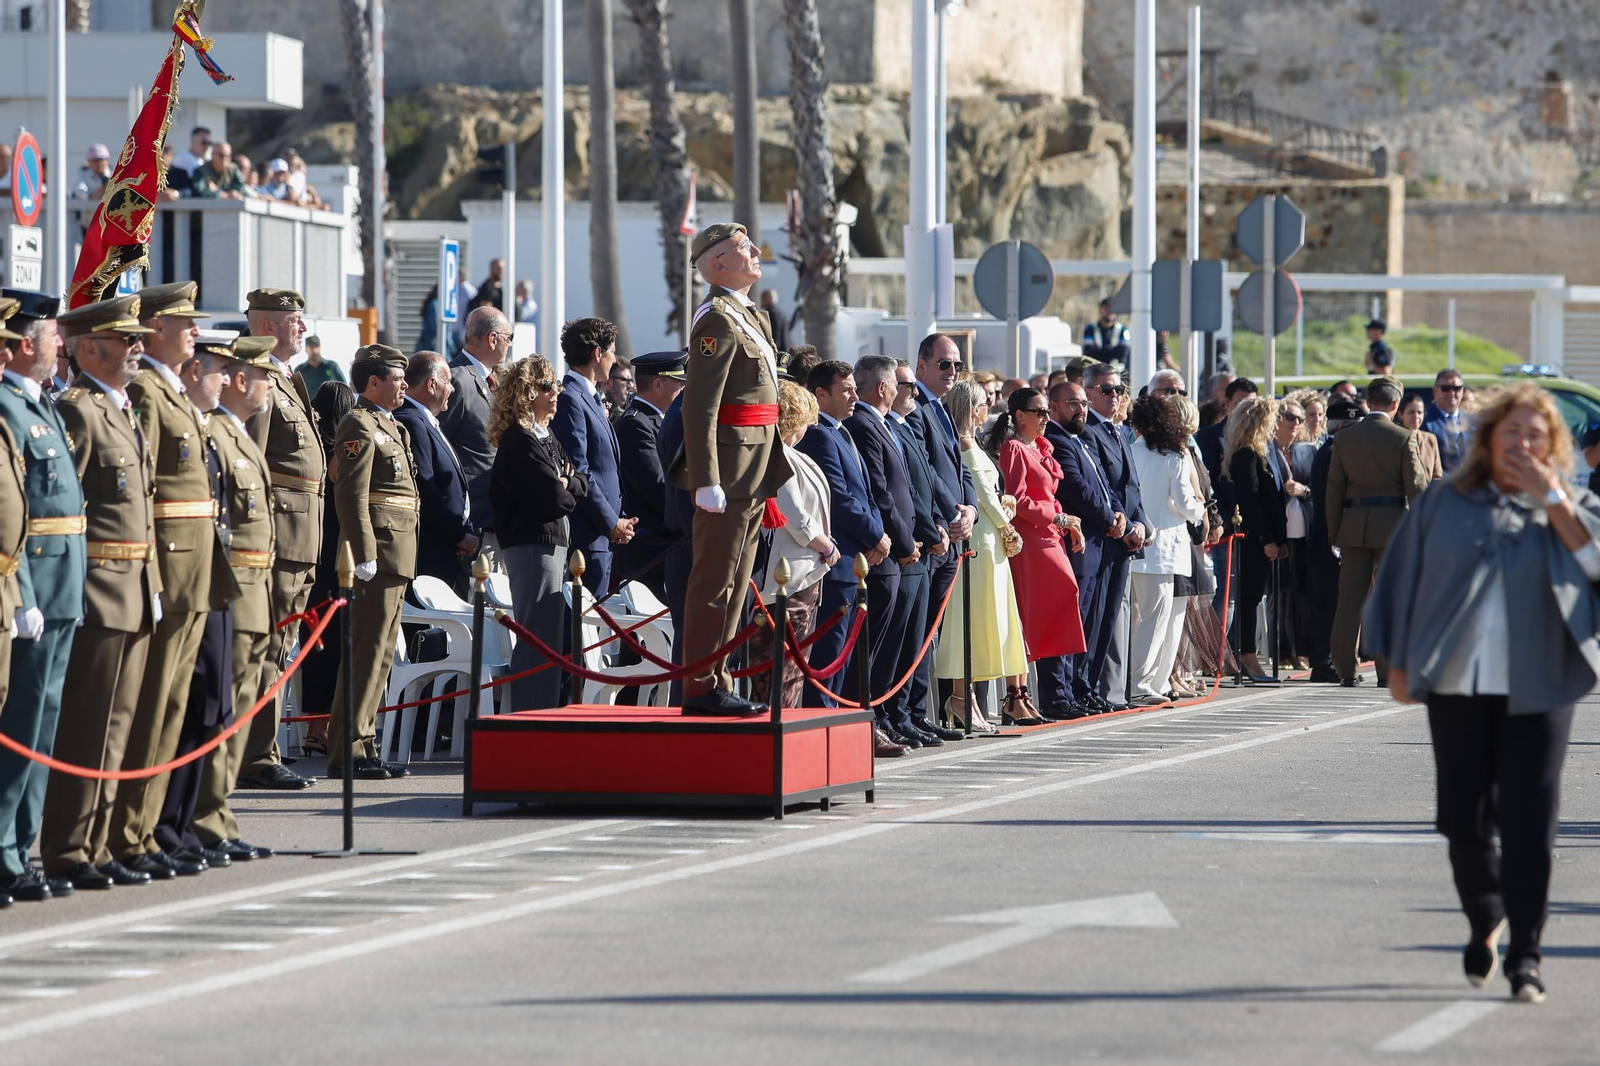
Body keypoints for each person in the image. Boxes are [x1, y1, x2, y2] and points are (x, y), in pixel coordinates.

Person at [1364, 383, 1600, 1005]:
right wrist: (1396, 660)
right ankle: (1485, 913)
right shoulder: (1446, 502)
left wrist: (1552, 501)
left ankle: (1526, 957)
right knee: (1462, 820)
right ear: (1488, 440)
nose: (1522, 444)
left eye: (1535, 435)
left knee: (1530, 824)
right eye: (1511, 432)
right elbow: (1400, 579)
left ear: (1553, 446)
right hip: (1459, 682)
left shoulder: (1572, 504)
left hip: (1542, 685)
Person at [105, 284, 233, 881]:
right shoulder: (148, 393)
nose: (194, 333)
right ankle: (133, 831)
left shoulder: (172, 391)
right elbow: (146, 493)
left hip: (195, 569)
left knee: (176, 707)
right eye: (185, 323)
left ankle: (150, 829)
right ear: (155, 329)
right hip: (170, 568)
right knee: (154, 707)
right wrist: (153, 572)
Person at [40, 295, 159, 891]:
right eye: (125, 339)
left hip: (134, 585)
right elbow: (63, 509)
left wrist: (152, 584)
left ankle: (100, 842)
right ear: (89, 348)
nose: (137, 348)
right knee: (88, 726)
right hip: (98, 587)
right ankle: (68, 848)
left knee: (118, 727)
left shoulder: (119, 408)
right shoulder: (78, 410)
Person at [668, 222, 793, 715]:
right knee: (714, 584)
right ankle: (700, 688)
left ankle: (717, 679)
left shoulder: (748, 316)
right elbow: (700, 405)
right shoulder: (716, 319)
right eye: (743, 247)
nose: (756, 251)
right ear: (718, 263)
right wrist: (707, 478)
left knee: (737, 585)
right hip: (731, 467)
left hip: (755, 464)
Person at [0, 294, 84, 902]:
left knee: (42, 730)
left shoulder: (41, 402)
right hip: (32, 586)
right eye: (54, 335)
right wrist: (23, 592)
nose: (62, 344)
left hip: (62, 585)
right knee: (20, 728)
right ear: (26, 343)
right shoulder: (7, 407)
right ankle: (4, 851)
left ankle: (20, 848)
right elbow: (14, 514)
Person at [182, 334, 278, 867]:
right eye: (263, 378)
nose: (269, 387)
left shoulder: (238, 434)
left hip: (256, 589)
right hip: (233, 589)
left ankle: (218, 815)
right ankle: (206, 818)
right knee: (222, 710)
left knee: (240, 708)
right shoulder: (215, 433)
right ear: (241, 381)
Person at [243, 288, 324, 790]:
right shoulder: (260, 378)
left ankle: (263, 748)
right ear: (269, 326)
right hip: (279, 531)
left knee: (283, 644)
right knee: (269, 644)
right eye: (295, 320)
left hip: (302, 531)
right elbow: (250, 463)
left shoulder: (287, 377)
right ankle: (256, 755)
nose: (303, 328)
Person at [327, 345, 417, 780]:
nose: (404, 385)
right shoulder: (359, 423)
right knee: (365, 652)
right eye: (397, 379)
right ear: (373, 382)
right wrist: (362, 553)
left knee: (381, 656)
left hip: (397, 552)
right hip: (377, 553)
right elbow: (351, 492)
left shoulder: (391, 425)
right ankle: (347, 750)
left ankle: (365, 744)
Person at [490, 354, 586, 711]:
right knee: (537, 639)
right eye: (547, 386)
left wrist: (567, 482)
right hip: (533, 546)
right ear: (526, 391)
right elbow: (555, 498)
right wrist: (565, 484)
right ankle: (528, 717)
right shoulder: (520, 440)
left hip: (553, 545)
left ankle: (542, 713)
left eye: (556, 385)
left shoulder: (545, 436)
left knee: (550, 639)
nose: (555, 392)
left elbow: (580, 481)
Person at [1325, 376, 1430, 687]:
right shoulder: (1404, 437)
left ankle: (1346, 669)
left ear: (1368, 402)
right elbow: (1417, 487)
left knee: (1349, 601)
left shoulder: (1345, 438)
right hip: (1394, 527)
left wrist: (1336, 533)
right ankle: (1387, 670)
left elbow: (1334, 490)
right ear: (1396, 404)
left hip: (1354, 526)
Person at [934, 380, 1026, 734]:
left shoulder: (972, 441)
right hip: (982, 539)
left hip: (990, 537)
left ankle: (967, 697)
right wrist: (1007, 526)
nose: (988, 407)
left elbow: (990, 492)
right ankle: (960, 696)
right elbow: (982, 494)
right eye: (984, 403)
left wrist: (1005, 507)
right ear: (973, 408)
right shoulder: (963, 442)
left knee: (984, 618)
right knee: (971, 619)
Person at [990, 387, 1088, 719]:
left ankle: (1033, 693)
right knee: (1033, 613)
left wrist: (1066, 523)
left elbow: (1049, 496)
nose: (1046, 418)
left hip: (1049, 535)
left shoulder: (1039, 447)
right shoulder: (1014, 448)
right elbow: (1015, 500)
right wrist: (1057, 519)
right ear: (1020, 416)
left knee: (1058, 604)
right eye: (1040, 412)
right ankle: (1021, 695)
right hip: (1031, 540)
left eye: (1047, 412)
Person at [797, 361, 885, 709]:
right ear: (821, 394)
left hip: (856, 559)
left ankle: (833, 722)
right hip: (837, 563)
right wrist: (876, 536)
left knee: (842, 659)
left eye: (854, 389)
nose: (854, 397)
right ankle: (821, 724)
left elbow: (866, 493)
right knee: (828, 657)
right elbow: (839, 498)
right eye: (846, 390)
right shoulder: (819, 434)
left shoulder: (840, 432)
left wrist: (877, 535)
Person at [846, 356, 920, 744]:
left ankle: (877, 719)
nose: (899, 391)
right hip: (882, 553)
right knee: (870, 648)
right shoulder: (863, 424)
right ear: (882, 387)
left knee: (883, 646)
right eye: (895, 384)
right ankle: (865, 722)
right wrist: (903, 543)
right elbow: (880, 491)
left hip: (895, 551)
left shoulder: (881, 423)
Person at [750, 380, 837, 712]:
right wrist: (827, 546)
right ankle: (775, 727)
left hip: (805, 572)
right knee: (781, 671)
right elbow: (794, 517)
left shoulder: (792, 455)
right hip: (788, 575)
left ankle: (783, 724)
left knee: (795, 668)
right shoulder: (776, 455)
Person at [888, 360, 962, 743]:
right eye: (908, 385)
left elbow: (932, 480)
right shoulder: (885, 427)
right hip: (910, 547)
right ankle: (895, 715)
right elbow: (900, 492)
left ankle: (914, 712)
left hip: (935, 538)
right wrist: (931, 529)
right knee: (902, 640)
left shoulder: (906, 424)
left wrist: (953, 516)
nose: (915, 392)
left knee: (921, 636)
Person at [906, 335, 977, 724]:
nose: (952, 372)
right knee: (919, 632)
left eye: (957, 365)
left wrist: (971, 510)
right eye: (944, 364)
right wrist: (953, 512)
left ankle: (920, 714)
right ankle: (912, 714)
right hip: (934, 533)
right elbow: (926, 473)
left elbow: (960, 469)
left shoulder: (942, 409)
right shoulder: (916, 408)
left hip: (954, 531)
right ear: (921, 366)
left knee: (932, 630)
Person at [1125, 395, 1207, 703]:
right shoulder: (1174, 455)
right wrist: (1201, 510)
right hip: (1164, 548)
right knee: (1157, 620)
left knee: (1139, 620)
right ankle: (1142, 685)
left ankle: (1143, 683)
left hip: (1134, 546)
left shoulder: (1129, 450)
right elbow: (1185, 502)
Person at [1045, 381, 1119, 714]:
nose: (1081, 410)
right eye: (1072, 403)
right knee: (1067, 623)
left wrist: (1119, 515)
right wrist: (1109, 519)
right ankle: (1059, 696)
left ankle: (1077, 690)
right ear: (1054, 406)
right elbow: (1077, 489)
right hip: (1075, 546)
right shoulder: (1057, 440)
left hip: (1096, 544)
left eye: (1084, 404)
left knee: (1086, 625)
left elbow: (1103, 486)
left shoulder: (1081, 438)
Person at [1082, 363, 1148, 709]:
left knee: (1111, 617)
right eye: (1106, 390)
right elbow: (1103, 488)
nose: (1114, 396)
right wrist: (1126, 526)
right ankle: (1090, 689)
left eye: (1118, 390)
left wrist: (1141, 524)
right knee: (1097, 617)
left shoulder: (1119, 431)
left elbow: (1132, 486)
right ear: (1088, 393)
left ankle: (1104, 691)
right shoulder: (1088, 431)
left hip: (1126, 536)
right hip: (1105, 536)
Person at [297, 381, 357, 755]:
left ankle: (314, 728)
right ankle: (320, 729)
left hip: (315, 553)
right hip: (337, 557)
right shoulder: (339, 453)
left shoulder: (316, 447)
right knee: (330, 646)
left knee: (316, 643)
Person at [555, 318, 632, 596]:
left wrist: (618, 521)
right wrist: (611, 522)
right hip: (587, 536)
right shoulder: (571, 399)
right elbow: (580, 470)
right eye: (611, 352)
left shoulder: (590, 397)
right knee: (581, 619)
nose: (613, 359)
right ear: (598, 353)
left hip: (602, 536)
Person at [394, 351, 477, 586]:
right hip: (430, 551)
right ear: (431, 385)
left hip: (446, 548)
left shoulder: (426, 421)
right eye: (447, 381)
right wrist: (458, 536)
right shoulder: (411, 421)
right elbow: (425, 486)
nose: (452, 388)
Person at [614, 350, 686, 601]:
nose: (683, 390)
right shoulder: (636, 424)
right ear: (658, 384)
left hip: (664, 546)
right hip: (649, 550)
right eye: (679, 383)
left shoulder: (657, 421)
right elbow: (658, 487)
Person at [1224, 396, 1287, 684]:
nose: (1275, 426)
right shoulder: (1246, 455)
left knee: (1253, 596)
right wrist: (1267, 539)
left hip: (1263, 538)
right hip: (1253, 539)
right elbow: (1251, 502)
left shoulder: (1259, 453)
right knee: (1249, 598)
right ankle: (1246, 655)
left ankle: (1244, 654)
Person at [439, 305, 512, 549]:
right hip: (471, 519)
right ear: (493, 339)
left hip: (495, 516)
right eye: (509, 337)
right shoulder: (457, 379)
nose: (510, 344)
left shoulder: (495, 379)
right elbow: (439, 447)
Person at [1305, 398, 1363, 684]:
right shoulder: (1331, 454)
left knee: (1334, 602)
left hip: (1331, 537)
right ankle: (1323, 662)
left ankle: (1329, 661)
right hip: (1329, 539)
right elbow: (1333, 501)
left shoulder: (1335, 452)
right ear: (1341, 427)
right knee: (1327, 605)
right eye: (1354, 427)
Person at [1196, 377, 1258, 624]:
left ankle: (1241, 645)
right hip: (1226, 529)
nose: (1247, 410)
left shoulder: (1260, 438)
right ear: (1227, 403)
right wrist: (1219, 521)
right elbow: (1206, 484)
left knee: (1249, 594)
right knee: (1227, 594)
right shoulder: (1209, 437)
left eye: (1252, 404)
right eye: (1241, 403)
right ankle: (1219, 647)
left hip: (1254, 532)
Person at [1270, 397, 1317, 669]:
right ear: (1277, 420)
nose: (1296, 423)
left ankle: (1301, 650)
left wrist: (1304, 490)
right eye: (1290, 417)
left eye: (1299, 418)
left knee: (1303, 593)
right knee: (1281, 595)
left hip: (1304, 531)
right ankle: (1282, 651)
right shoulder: (1267, 451)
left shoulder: (1307, 451)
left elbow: (1320, 489)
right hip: (1279, 532)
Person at [1423, 368, 1471, 474]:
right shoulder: (1424, 421)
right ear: (1435, 391)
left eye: (1457, 388)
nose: (1452, 393)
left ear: (1462, 391)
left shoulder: (1472, 422)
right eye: (1445, 388)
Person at [187, 141, 255, 200]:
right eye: (221, 155)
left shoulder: (233, 169)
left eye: (227, 156)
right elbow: (199, 192)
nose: (224, 159)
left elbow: (241, 188)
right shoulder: (201, 171)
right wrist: (223, 195)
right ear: (212, 155)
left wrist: (218, 191)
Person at [1400, 394, 1444, 480]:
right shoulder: (1394, 438)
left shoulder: (1430, 439)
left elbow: (1437, 474)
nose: (1416, 416)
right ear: (1401, 414)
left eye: (1419, 412)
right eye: (1411, 412)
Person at [294, 335, 347, 401]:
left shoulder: (332, 366)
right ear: (306, 349)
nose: (314, 350)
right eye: (311, 347)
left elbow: (345, 388)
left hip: (332, 405)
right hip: (310, 406)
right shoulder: (300, 370)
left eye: (316, 346)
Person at [1082, 299, 1130, 368]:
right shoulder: (1089, 330)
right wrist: (1112, 351)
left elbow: (1123, 353)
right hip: (1095, 371)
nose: (1109, 311)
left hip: (1118, 371)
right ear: (1100, 310)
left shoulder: (1123, 330)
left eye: (1112, 309)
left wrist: (1100, 351)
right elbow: (1088, 352)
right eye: (1106, 309)